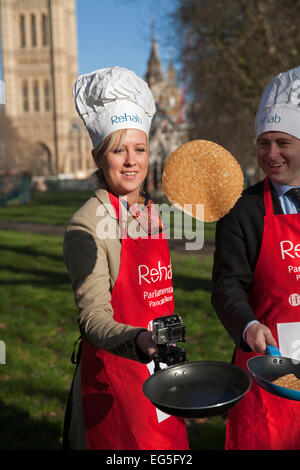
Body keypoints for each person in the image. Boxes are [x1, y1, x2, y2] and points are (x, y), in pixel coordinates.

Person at [62, 66, 190, 450]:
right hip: (115, 381)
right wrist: (136, 340)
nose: (131, 161)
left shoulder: (152, 214)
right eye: (119, 150)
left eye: (139, 149)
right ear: (100, 157)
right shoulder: (86, 225)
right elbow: (92, 317)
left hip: (162, 371)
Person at [211, 64, 300, 450]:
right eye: (264, 143)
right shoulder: (242, 210)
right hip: (270, 367)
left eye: (283, 142)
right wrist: (247, 326)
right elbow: (227, 285)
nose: (272, 154)